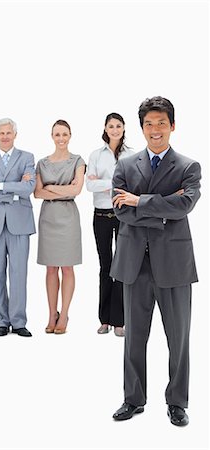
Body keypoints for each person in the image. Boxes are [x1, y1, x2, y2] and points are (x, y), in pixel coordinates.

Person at [111, 97, 201, 426]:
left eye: (162, 123)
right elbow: (121, 210)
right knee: (134, 335)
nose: (155, 129)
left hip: (174, 262)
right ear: (142, 128)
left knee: (178, 338)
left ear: (173, 126)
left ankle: (177, 402)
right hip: (135, 262)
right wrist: (162, 209)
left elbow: (185, 206)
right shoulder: (124, 165)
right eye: (149, 124)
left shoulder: (188, 167)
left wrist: (140, 202)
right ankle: (133, 399)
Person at [0, 118, 36, 337]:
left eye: (8, 133)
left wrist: (1, 186)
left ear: (15, 134)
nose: (5, 136)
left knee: (19, 273)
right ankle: (2, 321)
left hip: (20, 222)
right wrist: (14, 192)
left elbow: (29, 187)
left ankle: (19, 321)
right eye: (1, 133)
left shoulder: (27, 157)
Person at [34, 120, 85, 334]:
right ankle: (51, 313)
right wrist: (63, 189)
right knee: (51, 268)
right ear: (52, 136)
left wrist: (51, 187)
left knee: (67, 267)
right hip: (49, 217)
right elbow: (37, 193)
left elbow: (77, 190)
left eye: (65, 134)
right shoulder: (42, 163)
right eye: (57, 134)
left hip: (68, 216)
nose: (61, 138)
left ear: (70, 135)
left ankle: (64, 314)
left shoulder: (78, 161)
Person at [86, 113, 133, 337]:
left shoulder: (132, 155)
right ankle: (104, 320)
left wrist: (103, 184)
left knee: (121, 267)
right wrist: (116, 184)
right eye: (111, 126)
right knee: (105, 266)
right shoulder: (96, 155)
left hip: (124, 216)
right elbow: (89, 186)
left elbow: (134, 187)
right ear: (105, 128)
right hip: (101, 216)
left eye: (118, 126)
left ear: (124, 128)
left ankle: (119, 321)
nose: (115, 129)